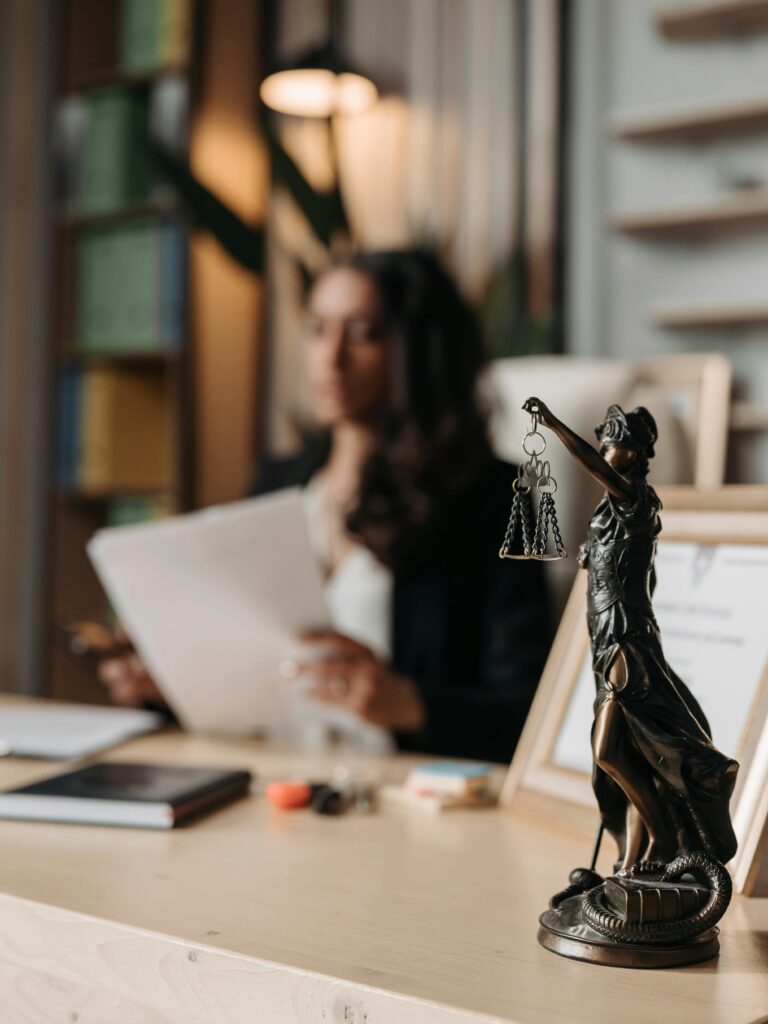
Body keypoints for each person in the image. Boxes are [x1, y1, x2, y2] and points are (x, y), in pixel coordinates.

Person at [100, 250, 552, 762]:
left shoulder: (493, 499)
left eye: (363, 333)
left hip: (392, 801)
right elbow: (249, 674)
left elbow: (531, 712)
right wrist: (169, 685)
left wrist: (409, 704)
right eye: (317, 329)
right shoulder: (278, 483)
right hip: (261, 779)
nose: (330, 357)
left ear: (416, 353)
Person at [523, 397, 738, 868]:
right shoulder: (607, 512)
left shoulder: (635, 500)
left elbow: (588, 466)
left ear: (635, 454)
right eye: (603, 442)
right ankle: (635, 856)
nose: (604, 450)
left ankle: (661, 832)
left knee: (609, 750)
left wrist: (554, 423)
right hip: (604, 638)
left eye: (612, 444)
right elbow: (646, 574)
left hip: (626, 639)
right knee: (627, 755)